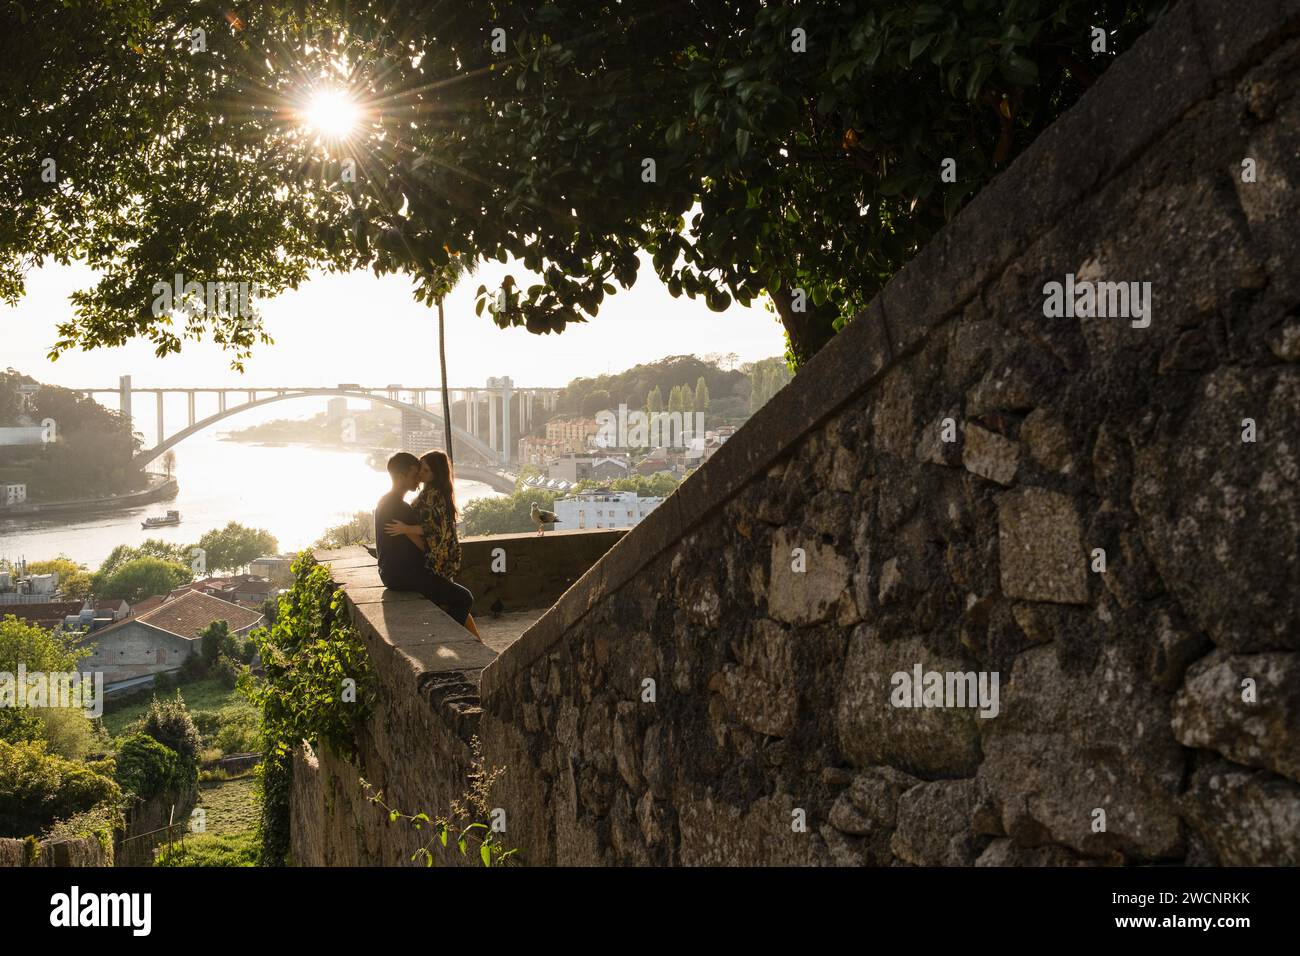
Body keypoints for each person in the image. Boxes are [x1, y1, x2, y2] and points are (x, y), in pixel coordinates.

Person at [375, 452, 481, 640]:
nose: (418, 478)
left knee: (450, 595)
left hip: (390, 572)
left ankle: (477, 643)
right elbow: (424, 546)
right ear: (402, 477)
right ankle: (449, 638)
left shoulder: (383, 501)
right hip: (405, 575)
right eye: (415, 474)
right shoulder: (402, 508)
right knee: (464, 599)